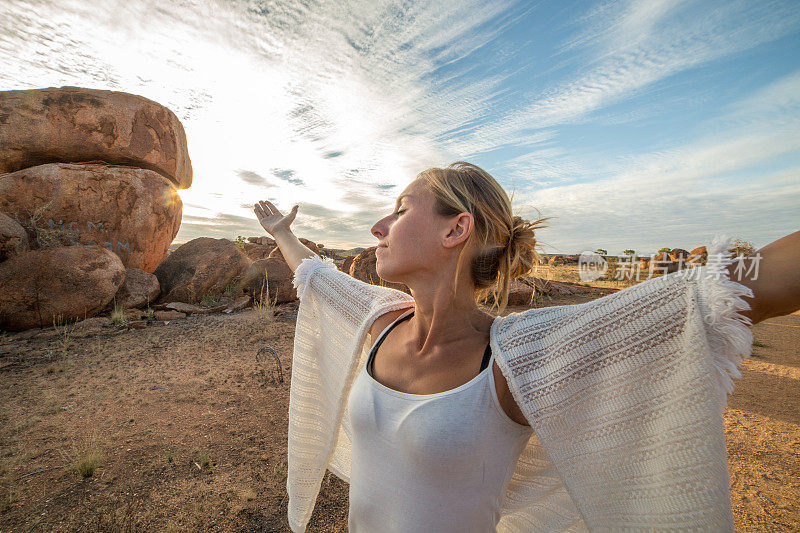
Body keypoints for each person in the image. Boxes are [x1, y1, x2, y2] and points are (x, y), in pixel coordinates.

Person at [254, 161, 799, 532]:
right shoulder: (380, 323)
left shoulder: (514, 361)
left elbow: (717, 296)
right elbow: (319, 278)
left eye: (400, 209)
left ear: (455, 229)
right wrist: (281, 233)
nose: (378, 226)